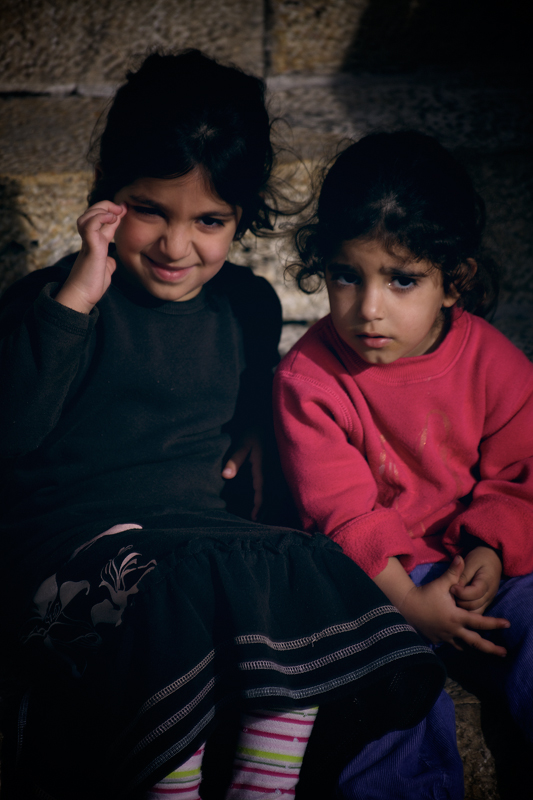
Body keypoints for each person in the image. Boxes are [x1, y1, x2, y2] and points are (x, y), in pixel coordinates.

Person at [0, 58, 444, 800]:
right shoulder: (52, 305)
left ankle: (258, 787)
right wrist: (73, 301)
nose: (177, 247)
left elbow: (234, 409)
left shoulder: (245, 304)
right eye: (150, 210)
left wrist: (256, 431)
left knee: (307, 568)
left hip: (199, 539)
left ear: (242, 219)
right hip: (69, 554)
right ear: (109, 197)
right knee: (174, 591)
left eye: (208, 222)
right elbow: (11, 434)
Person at [273, 130, 533, 799]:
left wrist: (492, 554)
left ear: (454, 282)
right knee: (381, 689)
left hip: (478, 569)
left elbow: (517, 476)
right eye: (344, 276)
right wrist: (412, 604)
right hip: (370, 582)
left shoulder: (494, 363)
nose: (368, 309)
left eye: (402, 280)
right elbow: (341, 512)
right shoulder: (309, 378)